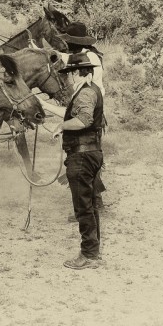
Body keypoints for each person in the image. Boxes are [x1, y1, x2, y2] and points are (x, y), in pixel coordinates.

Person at [43, 52, 105, 270]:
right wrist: (45, 107)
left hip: (82, 156)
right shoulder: (87, 91)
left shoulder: (86, 93)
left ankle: (88, 255)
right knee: (89, 205)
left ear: (79, 73)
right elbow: (75, 116)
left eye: (70, 74)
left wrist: (62, 126)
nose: (68, 78)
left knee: (83, 208)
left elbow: (83, 120)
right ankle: (93, 252)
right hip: (89, 153)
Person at [54, 22, 106, 215]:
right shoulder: (88, 55)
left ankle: (92, 205)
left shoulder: (86, 59)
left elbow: (65, 58)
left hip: (90, 107)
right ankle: (93, 203)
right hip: (93, 104)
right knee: (88, 154)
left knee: (84, 154)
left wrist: (62, 124)